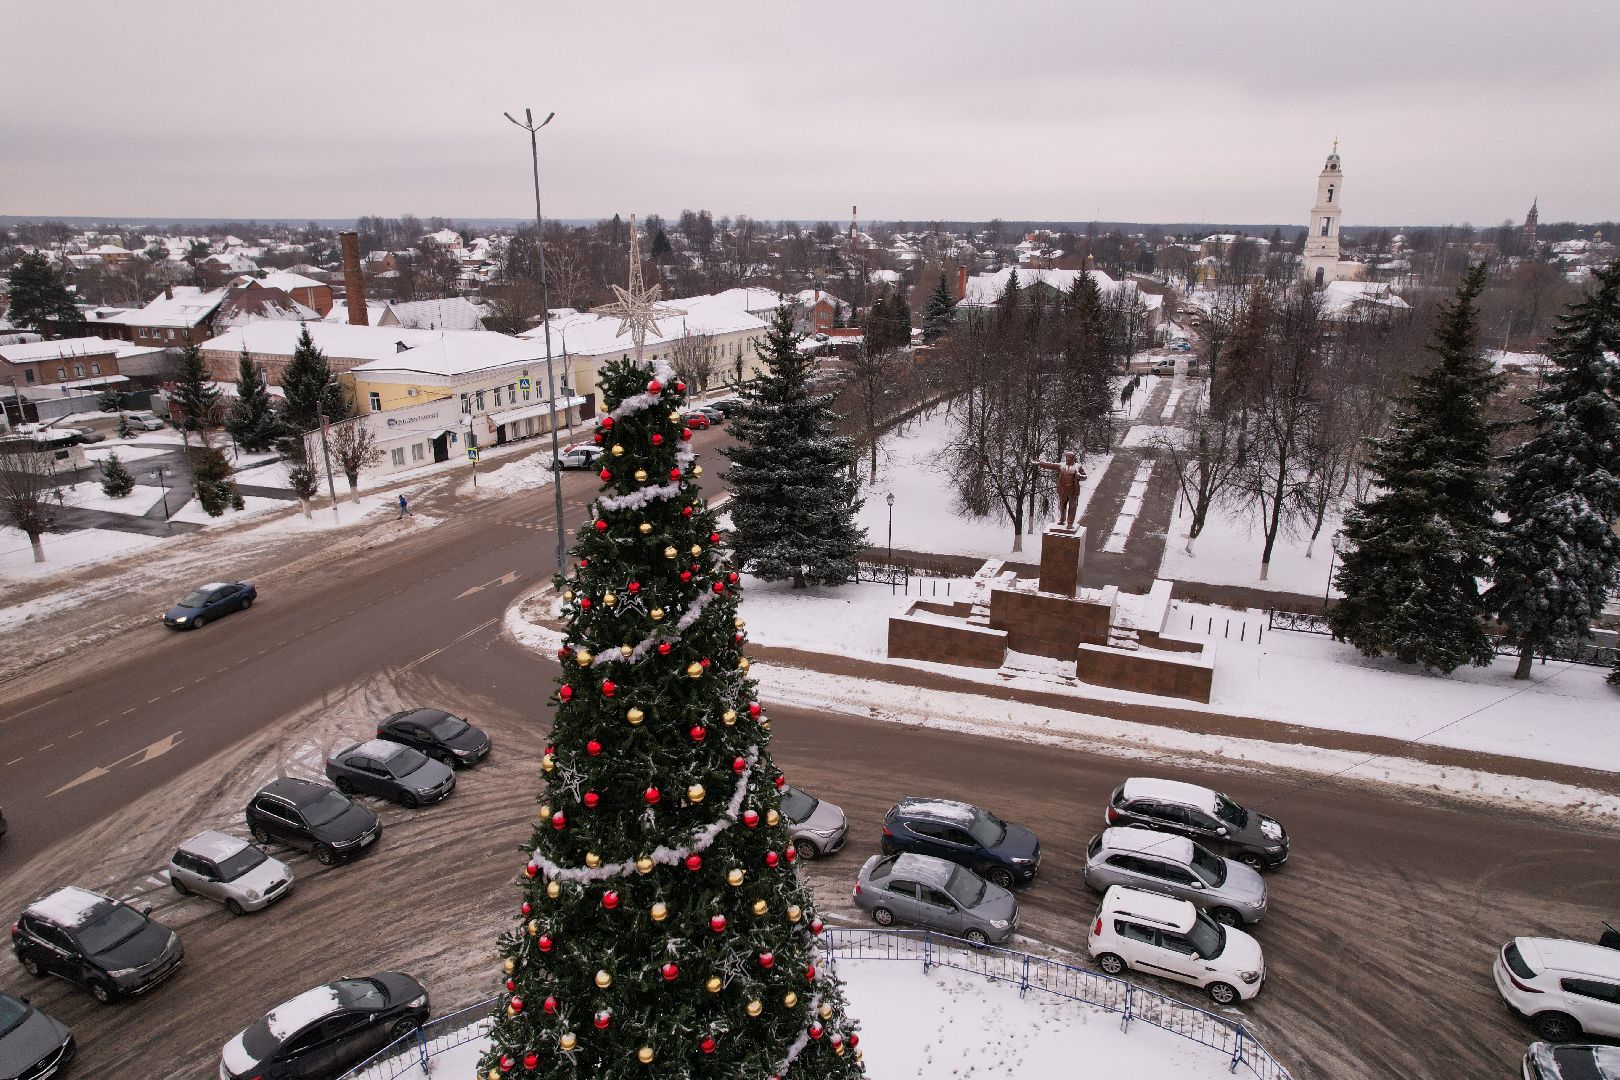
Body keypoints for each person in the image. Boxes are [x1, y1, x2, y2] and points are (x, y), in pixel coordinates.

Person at [1031, 451, 1086, 528]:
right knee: (1062, 506)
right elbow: (1050, 465)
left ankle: (1070, 523)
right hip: (1063, 490)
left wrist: (1080, 476)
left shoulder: (1078, 466)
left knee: (1072, 507)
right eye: (1066, 457)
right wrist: (1040, 463)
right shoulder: (1061, 465)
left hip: (1073, 491)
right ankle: (1062, 519)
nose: (1067, 459)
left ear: (1073, 458)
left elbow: (1085, 476)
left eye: (1069, 457)